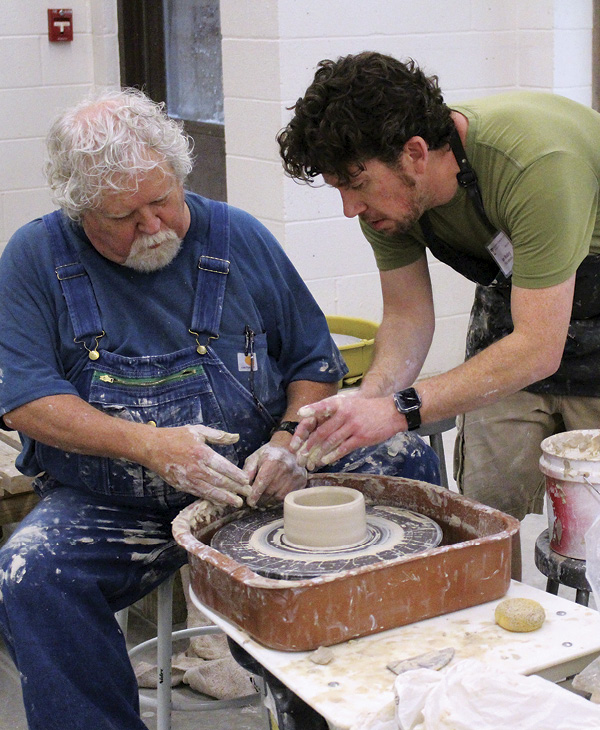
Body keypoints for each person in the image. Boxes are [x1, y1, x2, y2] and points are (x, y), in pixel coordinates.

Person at [0, 88, 438, 730]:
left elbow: (314, 362)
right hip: (117, 501)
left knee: (406, 463)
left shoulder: (238, 237)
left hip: (261, 482)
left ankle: (362, 701)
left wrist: (291, 440)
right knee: (29, 574)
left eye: (162, 201)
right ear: (78, 209)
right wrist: (150, 446)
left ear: (180, 176)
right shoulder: (36, 258)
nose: (152, 226)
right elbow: (28, 401)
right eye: (124, 216)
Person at [277, 51, 600, 537]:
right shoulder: (389, 205)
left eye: (356, 184)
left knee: (589, 543)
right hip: (514, 325)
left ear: (415, 153)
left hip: (558, 328)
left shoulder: (533, 163)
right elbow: (407, 317)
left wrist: (399, 410)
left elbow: (539, 346)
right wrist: (368, 400)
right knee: (487, 523)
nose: (349, 208)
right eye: (338, 188)